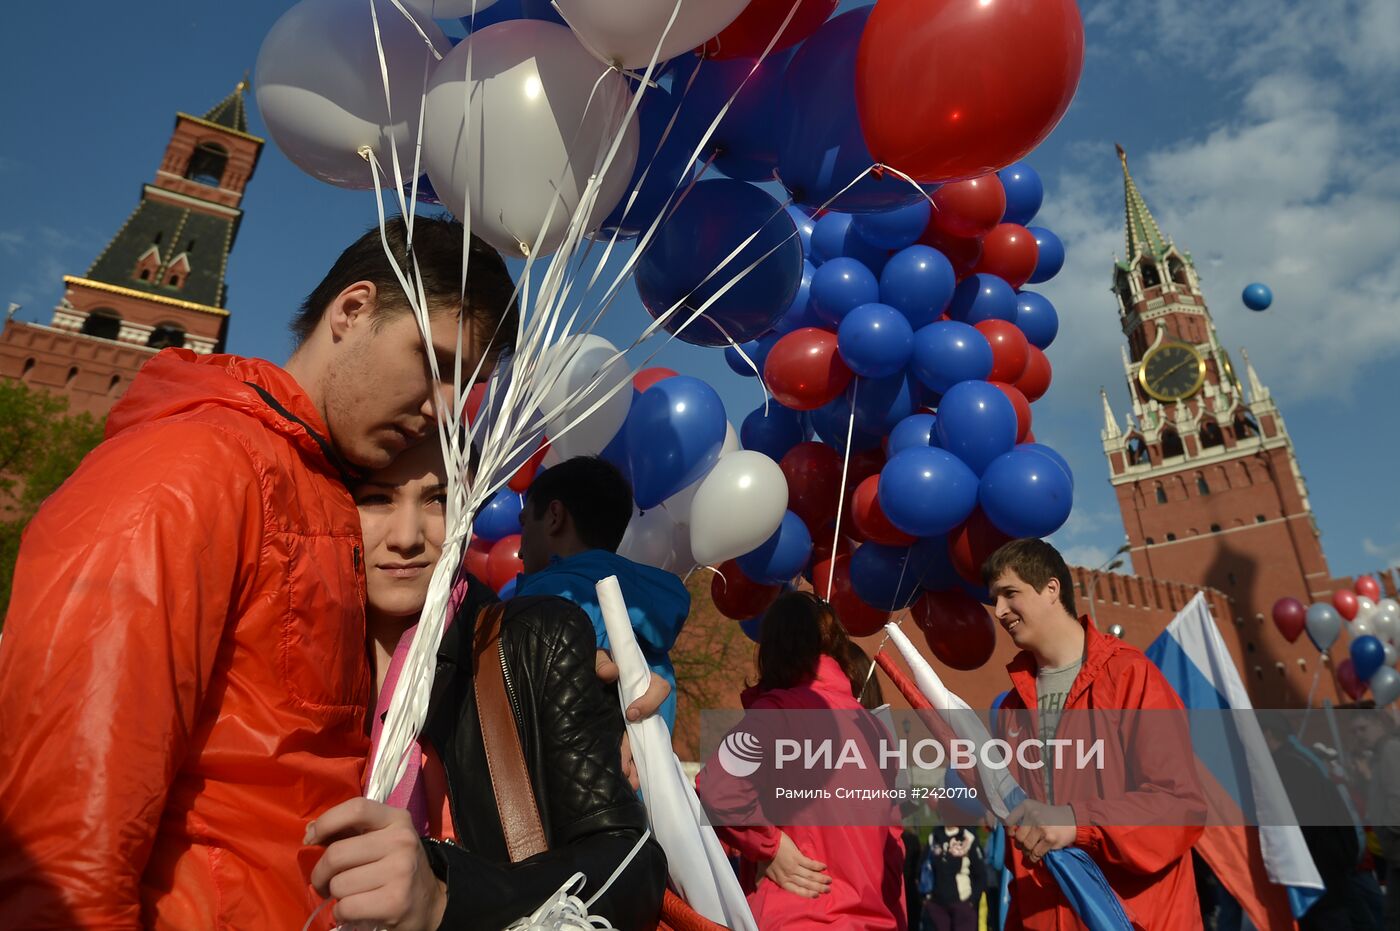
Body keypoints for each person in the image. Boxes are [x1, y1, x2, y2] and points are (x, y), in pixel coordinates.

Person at [0, 217, 518, 928]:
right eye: (437, 361)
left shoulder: (315, 486)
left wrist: (542, 665)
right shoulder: (191, 469)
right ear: (353, 309)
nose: (445, 407)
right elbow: (64, 835)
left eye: (470, 383)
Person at [304, 439, 665, 930]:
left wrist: (447, 896)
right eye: (376, 497)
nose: (408, 536)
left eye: (439, 500)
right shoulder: (274, 651)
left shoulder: (533, 639)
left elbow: (632, 866)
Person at [980, 538, 1206, 931]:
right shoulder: (1012, 710)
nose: (999, 611)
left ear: (1052, 589)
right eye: (994, 599)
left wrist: (1075, 821)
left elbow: (1179, 805)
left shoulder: (1129, 676)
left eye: (1009, 593)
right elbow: (1022, 847)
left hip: (1133, 918)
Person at [697, 591, 908, 930]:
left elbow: (719, 788)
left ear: (771, 651)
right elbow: (892, 845)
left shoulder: (776, 713)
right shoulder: (873, 728)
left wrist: (771, 846)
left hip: (798, 914)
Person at [515, 455, 690, 729]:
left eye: (524, 524)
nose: (520, 548)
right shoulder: (648, 607)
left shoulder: (548, 595)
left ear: (554, 517)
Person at [1259, 711, 1360, 930]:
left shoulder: (1287, 767)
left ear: (1267, 734)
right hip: (1328, 866)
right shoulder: (1301, 759)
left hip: (1317, 870)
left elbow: (1302, 825)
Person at [1349, 710, 1400, 927]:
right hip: (1394, 853)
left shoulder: (1390, 750)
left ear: (1379, 723)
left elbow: (1397, 796)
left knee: (1392, 915)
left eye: (1363, 728)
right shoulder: (1380, 756)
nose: (1359, 735)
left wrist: (1391, 830)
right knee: (1391, 914)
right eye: (1355, 731)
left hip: (1397, 847)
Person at [918, 825, 985, 931]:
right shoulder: (934, 836)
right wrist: (926, 897)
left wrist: (971, 901)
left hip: (962, 903)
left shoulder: (967, 837)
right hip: (937, 905)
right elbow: (922, 867)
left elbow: (981, 873)